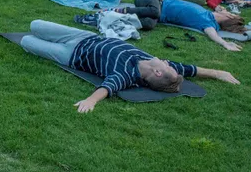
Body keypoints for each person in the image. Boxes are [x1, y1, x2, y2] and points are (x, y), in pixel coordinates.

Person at [19, 20, 240, 113]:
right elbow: (190, 69)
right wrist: (217, 72)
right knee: (35, 25)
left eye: (165, 65)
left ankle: (39, 43)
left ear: (157, 72)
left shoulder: (127, 75)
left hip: (71, 55)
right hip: (84, 36)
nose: (166, 61)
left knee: (26, 41)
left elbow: (108, 87)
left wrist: (90, 100)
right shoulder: (160, 64)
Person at [159, 0, 246, 51]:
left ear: (229, 17)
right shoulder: (209, 14)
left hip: (159, 8)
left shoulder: (208, 23)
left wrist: (225, 43)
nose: (229, 12)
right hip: (161, 0)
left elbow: (213, 35)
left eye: (231, 14)